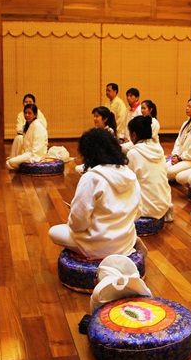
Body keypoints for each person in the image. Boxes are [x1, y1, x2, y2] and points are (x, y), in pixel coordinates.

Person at [48, 128, 141, 260]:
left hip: (98, 246)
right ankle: (128, 241)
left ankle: (99, 251)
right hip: (125, 241)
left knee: (54, 231)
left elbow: (78, 224)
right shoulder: (130, 175)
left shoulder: (91, 177)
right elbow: (137, 213)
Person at [126, 116, 173, 222]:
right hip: (164, 204)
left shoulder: (133, 153)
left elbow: (127, 182)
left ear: (134, 135)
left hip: (146, 209)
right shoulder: (158, 148)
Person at [76, 106, 118, 174]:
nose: (94, 119)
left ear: (105, 119)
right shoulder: (96, 130)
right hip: (95, 160)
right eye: (94, 116)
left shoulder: (109, 132)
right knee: (78, 168)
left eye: (97, 116)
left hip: (104, 162)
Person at [6, 104, 48, 170]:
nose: (27, 115)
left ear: (35, 115)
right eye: (25, 113)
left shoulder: (38, 126)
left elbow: (38, 147)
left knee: (10, 162)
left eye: (29, 113)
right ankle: (24, 168)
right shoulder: (28, 126)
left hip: (35, 155)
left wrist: (32, 159)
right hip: (28, 154)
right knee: (8, 162)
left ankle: (24, 169)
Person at [9, 93, 48, 158]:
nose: (27, 115)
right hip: (24, 137)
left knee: (12, 162)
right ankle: (16, 156)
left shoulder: (38, 115)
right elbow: (19, 129)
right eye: (26, 102)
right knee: (19, 138)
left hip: (35, 142)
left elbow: (44, 125)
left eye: (30, 102)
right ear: (23, 103)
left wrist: (32, 131)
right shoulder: (20, 115)